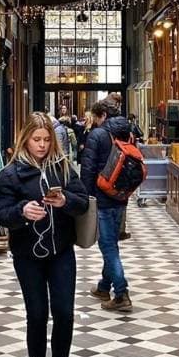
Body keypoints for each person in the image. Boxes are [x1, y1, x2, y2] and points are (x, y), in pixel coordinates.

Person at [0, 113, 88, 357]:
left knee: (64, 313)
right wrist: (23, 210)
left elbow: (83, 201)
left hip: (61, 251)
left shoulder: (63, 168)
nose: (42, 145)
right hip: (27, 255)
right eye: (37, 140)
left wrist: (66, 202)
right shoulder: (10, 174)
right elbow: (0, 213)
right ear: (26, 139)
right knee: (36, 314)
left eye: (47, 140)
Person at [80, 100, 134, 312]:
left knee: (108, 246)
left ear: (102, 115)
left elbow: (88, 168)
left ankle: (121, 293)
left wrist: (85, 198)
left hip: (102, 199)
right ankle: (104, 286)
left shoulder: (98, 135)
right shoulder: (127, 133)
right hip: (120, 197)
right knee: (111, 242)